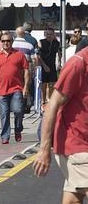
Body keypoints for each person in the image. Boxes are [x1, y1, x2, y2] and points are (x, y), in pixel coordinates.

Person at [33, 45, 88, 204]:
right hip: (74, 143)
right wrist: (44, 150)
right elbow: (52, 105)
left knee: (72, 199)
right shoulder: (78, 64)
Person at [0, 33, 30, 144]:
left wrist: (25, 87)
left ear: (12, 41)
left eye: (8, 41)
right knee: (4, 114)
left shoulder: (19, 55)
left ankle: (18, 129)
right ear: (1, 42)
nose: (6, 43)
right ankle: (5, 136)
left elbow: (26, 70)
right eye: (3, 41)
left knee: (18, 110)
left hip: (16, 88)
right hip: (2, 90)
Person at [38, 28, 61, 107]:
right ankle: (43, 101)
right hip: (43, 65)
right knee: (44, 84)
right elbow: (38, 56)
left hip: (52, 65)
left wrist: (59, 63)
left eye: (50, 34)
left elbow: (59, 53)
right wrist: (44, 66)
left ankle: (49, 100)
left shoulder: (56, 43)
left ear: (53, 34)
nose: (49, 36)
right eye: (47, 34)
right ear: (45, 34)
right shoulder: (41, 42)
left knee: (52, 84)